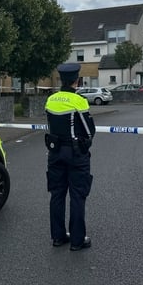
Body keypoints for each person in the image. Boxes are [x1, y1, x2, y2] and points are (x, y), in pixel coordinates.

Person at [44, 63, 96, 251]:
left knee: (57, 194)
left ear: (61, 80)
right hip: (75, 154)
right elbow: (89, 131)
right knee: (77, 195)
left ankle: (58, 237)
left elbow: (51, 124)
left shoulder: (51, 99)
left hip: (55, 152)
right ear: (76, 80)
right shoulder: (79, 100)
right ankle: (77, 240)